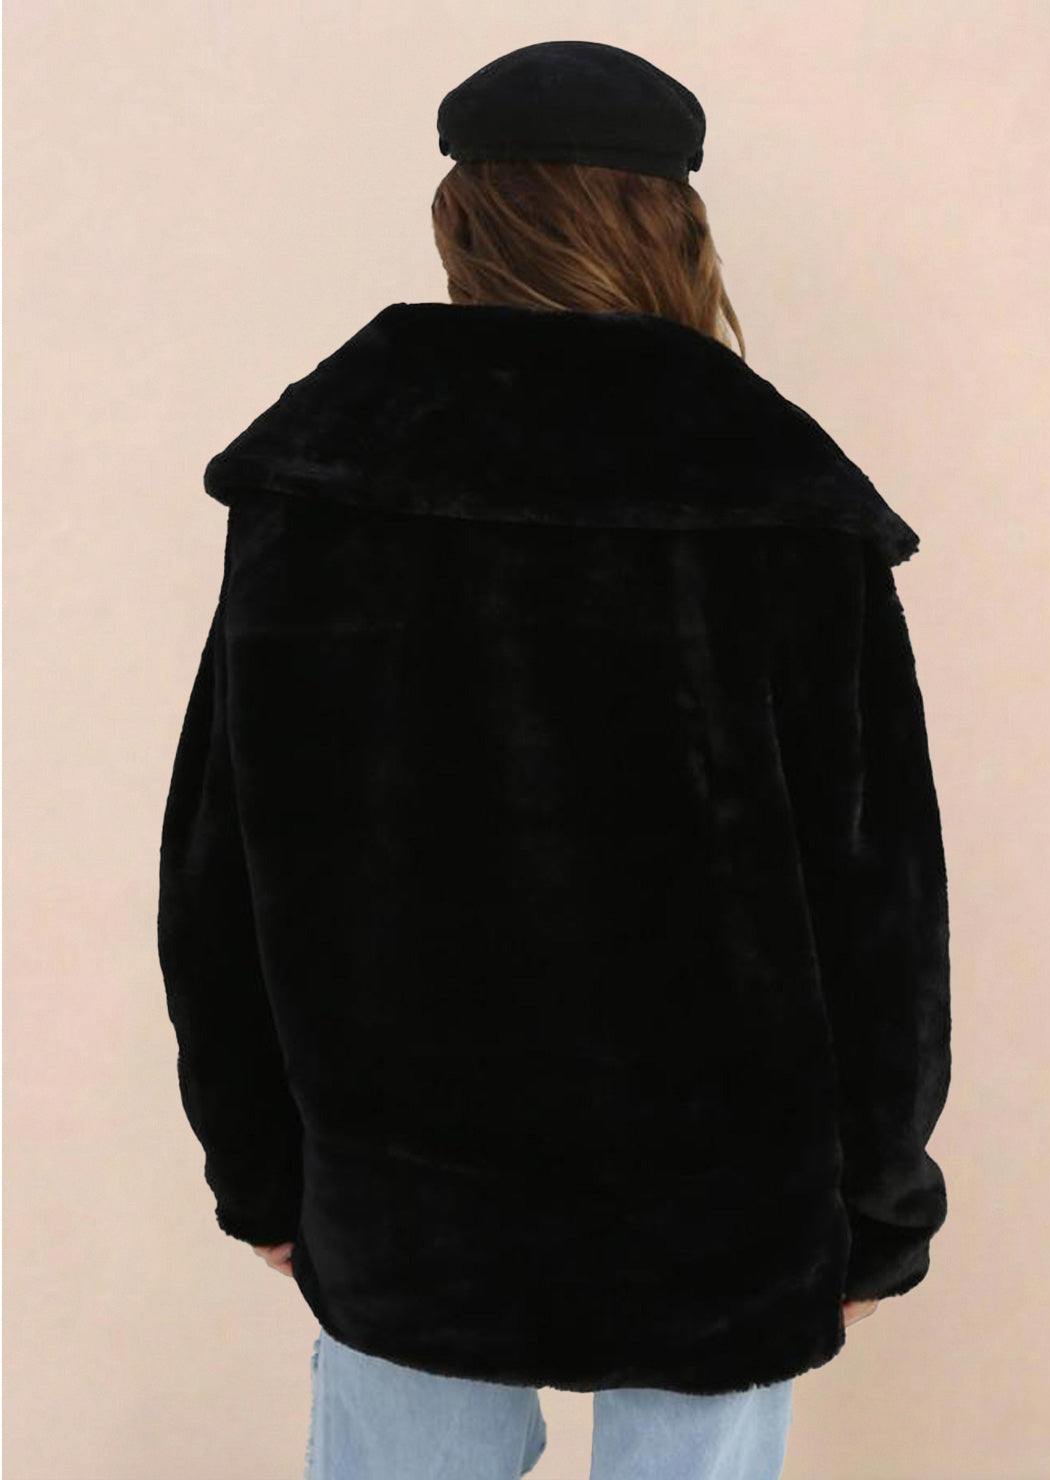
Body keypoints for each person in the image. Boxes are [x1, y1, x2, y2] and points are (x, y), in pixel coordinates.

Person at [156, 39, 952, 1480]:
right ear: (677, 224)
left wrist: (258, 1168)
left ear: (463, 216)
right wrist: (878, 1209)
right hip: (726, 1198)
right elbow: (878, 899)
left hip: (404, 1190)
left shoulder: (326, 481)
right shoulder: (777, 497)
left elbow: (223, 864)